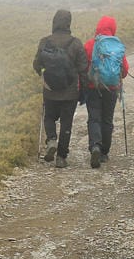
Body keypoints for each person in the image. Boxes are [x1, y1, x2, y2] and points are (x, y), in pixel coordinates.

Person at [33, 9, 87, 169]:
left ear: (54, 22)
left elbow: (36, 64)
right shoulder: (76, 43)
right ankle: (61, 158)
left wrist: (43, 74)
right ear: (69, 23)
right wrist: (84, 91)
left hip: (50, 91)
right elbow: (83, 68)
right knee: (66, 123)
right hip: (70, 93)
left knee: (49, 117)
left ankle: (51, 140)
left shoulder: (45, 41)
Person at [82, 15, 128, 168]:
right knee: (107, 120)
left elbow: (83, 67)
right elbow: (125, 71)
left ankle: (95, 145)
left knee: (94, 118)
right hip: (112, 89)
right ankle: (104, 153)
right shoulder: (117, 45)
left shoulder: (90, 45)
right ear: (113, 28)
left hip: (93, 88)